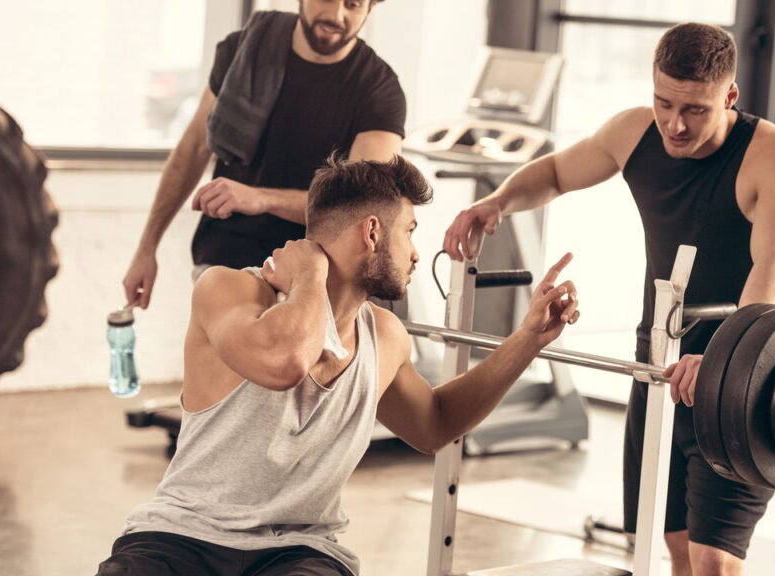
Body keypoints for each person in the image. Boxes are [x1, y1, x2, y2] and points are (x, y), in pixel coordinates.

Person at [442, 22, 775, 576]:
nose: (675, 123)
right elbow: (556, 172)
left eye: (695, 110)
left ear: (730, 97)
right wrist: (497, 202)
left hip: (742, 374)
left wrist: (724, 359)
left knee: (715, 558)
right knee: (673, 543)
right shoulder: (635, 132)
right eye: (664, 103)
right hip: (660, 362)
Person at [96, 155, 582, 576]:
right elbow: (284, 360)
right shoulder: (230, 289)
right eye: (409, 232)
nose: (416, 253)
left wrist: (527, 340)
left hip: (299, 552)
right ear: (372, 232)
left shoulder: (384, 334)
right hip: (181, 538)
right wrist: (311, 272)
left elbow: (434, 426)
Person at [123, 0, 406, 309]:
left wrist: (261, 199)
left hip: (315, 280)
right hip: (225, 261)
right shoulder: (245, 50)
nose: (336, 15)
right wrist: (147, 247)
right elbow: (192, 148)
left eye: (352, 4)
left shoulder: (379, 90)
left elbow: (362, 208)